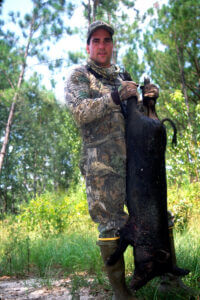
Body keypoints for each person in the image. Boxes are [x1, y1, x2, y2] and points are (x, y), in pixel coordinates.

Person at [65, 20, 189, 300]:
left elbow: (137, 119)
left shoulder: (124, 77)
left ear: (112, 45)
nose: (101, 45)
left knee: (159, 217)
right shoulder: (80, 76)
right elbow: (81, 112)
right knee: (111, 224)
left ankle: (168, 279)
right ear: (88, 46)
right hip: (102, 168)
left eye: (106, 40)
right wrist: (114, 96)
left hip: (137, 166)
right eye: (95, 41)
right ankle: (122, 294)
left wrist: (149, 101)